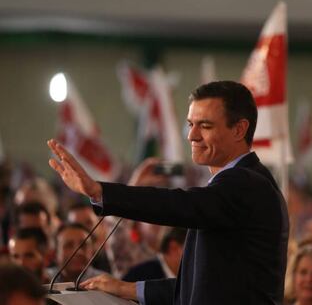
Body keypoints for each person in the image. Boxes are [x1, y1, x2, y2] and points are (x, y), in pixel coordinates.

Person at [47, 80, 289, 304]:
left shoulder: (246, 183)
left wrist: (100, 191)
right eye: (190, 124)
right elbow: (200, 287)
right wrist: (128, 289)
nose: (192, 136)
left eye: (205, 126)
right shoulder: (240, 183)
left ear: (239, 130)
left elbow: (177, 204)